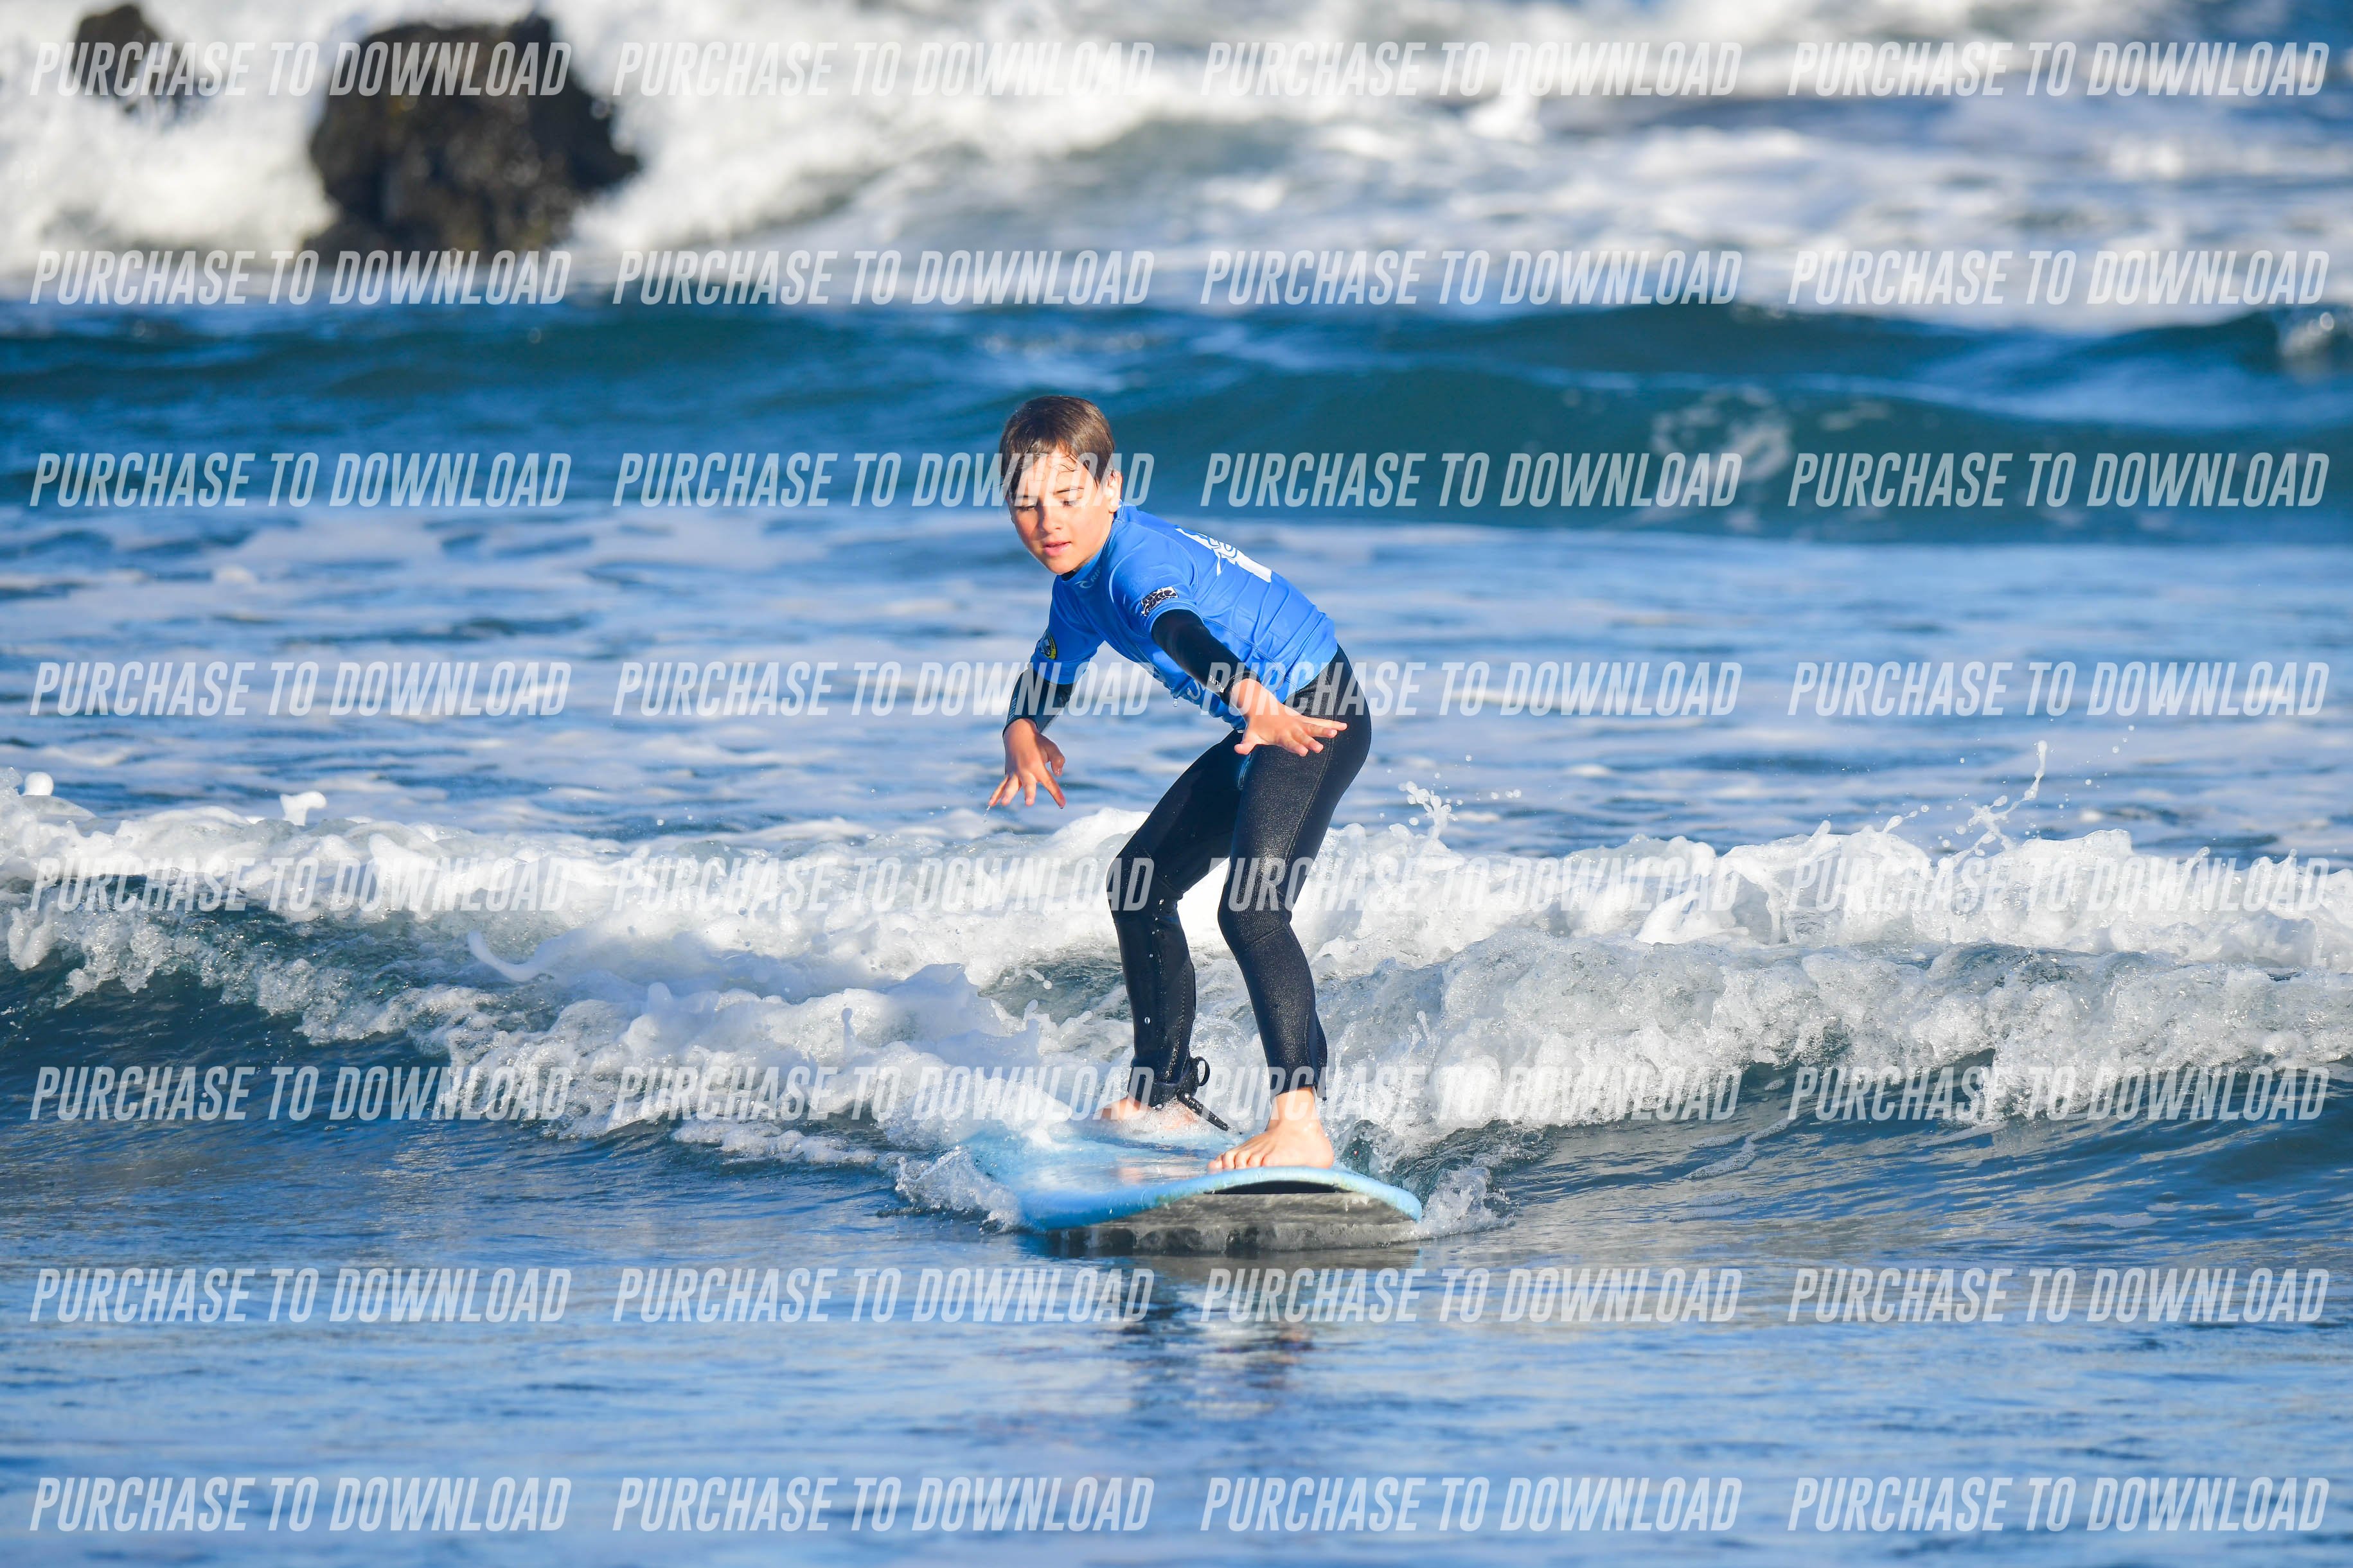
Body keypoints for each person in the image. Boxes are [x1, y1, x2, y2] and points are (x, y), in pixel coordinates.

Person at [986, 395, 1370, 1171]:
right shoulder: (1078, 583)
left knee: (1252, 909)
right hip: (1257, 721)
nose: (1048, 521)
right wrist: (1022, 727)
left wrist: (1246, 693)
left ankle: (1300, 1120)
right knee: (1138, 881)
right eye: (1026, 503)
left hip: (1311, 714)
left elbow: (1179, 630)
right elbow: (1052, 665)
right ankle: (1162, 1094)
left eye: (1067, 495)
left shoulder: (1135, 566)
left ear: (1110, 489)